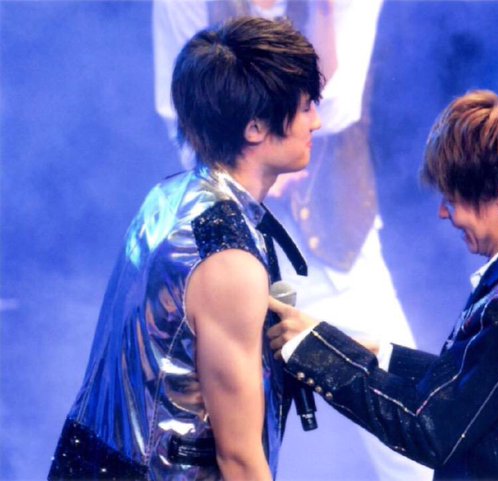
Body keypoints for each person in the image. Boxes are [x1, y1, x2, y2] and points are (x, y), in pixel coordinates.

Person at [268, 90, 498, 480]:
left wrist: (316, 354)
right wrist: (375, 353)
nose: (443, 213)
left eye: (452, 199)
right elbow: (481, 382)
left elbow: (430, 431)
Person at [152, 1, 433, 480]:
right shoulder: (218, 255)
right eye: (301, 110)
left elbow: (337, 109)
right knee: (227, 428)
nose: (312, 120)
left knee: (410, 437)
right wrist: (242, 171)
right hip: (234, 239)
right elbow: (177, 107)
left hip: (339, 242)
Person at [48, 17, 322, 480]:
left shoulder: (168, 196)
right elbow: (239, 458)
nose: (316, 121)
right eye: (306, 107)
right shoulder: (229, 261)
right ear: (255, 127)